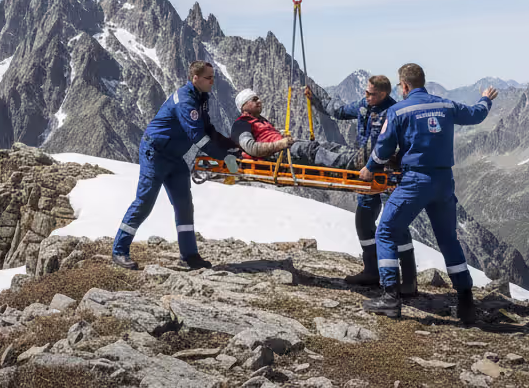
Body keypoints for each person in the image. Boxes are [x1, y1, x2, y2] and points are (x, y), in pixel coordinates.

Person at [359, 63, 498, 323]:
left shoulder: (398, 110)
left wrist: (369, 169)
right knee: (448, 239)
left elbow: (383, 148)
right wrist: (485, 99)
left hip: (415, 181)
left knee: (386, 231)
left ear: (404, 86)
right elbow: (475, 114)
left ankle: (390, 298)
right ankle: (466, 302)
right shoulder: (446, 105)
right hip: (444, 181)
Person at [112, 61, 240, 271]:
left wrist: (231, 148)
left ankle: (189, 256)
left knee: (184, 205)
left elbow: (208, 129)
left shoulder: (202, 98)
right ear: (195, 78)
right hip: (155, 153)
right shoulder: (186, 100)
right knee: (144, 203)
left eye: (213, 77)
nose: (212, 81)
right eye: (209, 77)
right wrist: (223, 158)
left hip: (175, 156)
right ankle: (119, 251)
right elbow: (197, 137)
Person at [306, 77, 401, 287]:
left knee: (395, 224)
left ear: (384, 94)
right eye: (366, 93)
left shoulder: (394, 112)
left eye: (371, 94)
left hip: (388, 173)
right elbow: (338, 110)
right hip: (366, 170)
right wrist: (315, 99)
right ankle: (371, 271)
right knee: (364, 220)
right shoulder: (363, 106)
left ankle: (406, 280)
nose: (366, 97)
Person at [230, 89, 361, 169]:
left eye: (258, 98)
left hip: (282, 148)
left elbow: (265, 136)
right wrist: (279, 144)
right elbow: (252, 148)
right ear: (244, 105)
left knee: (324, 145)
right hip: (274, 155)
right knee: (309, 150)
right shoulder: (241, 124)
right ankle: (352, 163)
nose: (259, 101)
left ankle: (359, 156)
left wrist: (281, 135)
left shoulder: (260, 120)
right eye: (254, 99)